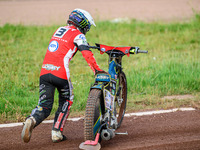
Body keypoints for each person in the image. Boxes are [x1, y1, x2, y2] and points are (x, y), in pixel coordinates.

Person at [21, 8, 105, 143]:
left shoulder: (58, 30)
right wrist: (97, 70)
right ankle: (56, 132)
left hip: (44, 72)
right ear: (82, 23)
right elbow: (87, 54)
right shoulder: (79, 35)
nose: (87, 29)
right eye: (87, 26)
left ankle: (32, 119)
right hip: (60, 73)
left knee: (44, 106)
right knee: (67, 99)